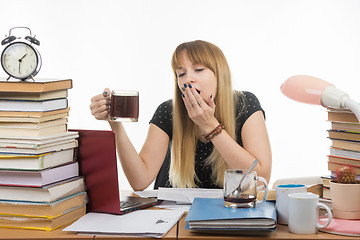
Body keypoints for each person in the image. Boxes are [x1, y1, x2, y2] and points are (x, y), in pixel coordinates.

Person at [90, 40, 272, 191]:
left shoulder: (245, 104)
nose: (188, 79)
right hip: (173, 219)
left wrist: (211, 126)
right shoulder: (167, 111)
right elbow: (139, 181)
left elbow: (260, 179)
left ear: (219, 75)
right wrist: (115, 125)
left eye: (198, 70)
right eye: (181, 73)